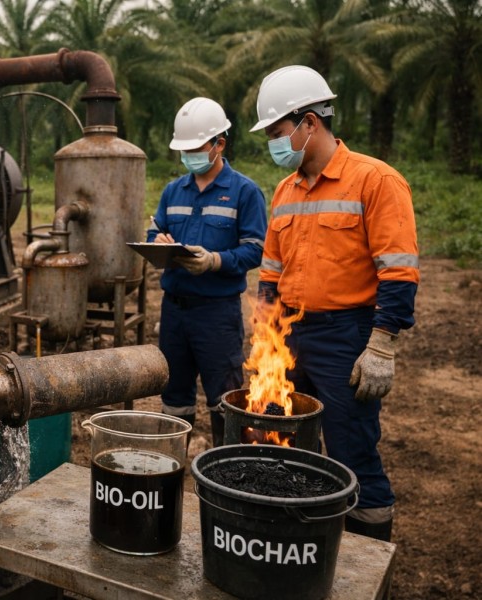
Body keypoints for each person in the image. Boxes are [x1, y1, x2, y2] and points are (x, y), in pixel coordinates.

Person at [249, 65, 419, 542]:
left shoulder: (376, 181)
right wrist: (265, 340)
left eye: (278, 132)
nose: (274, 145)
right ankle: (302, 537)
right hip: (291, 337)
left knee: (352, 451)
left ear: (309, 123)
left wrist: (381, 345)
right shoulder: (285, 191)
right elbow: (270, 276)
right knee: (285, 442)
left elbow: (399, 271)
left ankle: (367, 559)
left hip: (346, 337)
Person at [147, 97, 267, 447]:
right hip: (175, 312)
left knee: (225, 399)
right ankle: (173, 461)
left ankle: (226, 469)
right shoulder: (173, 191)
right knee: (174, 397)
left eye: (196, 148)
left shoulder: (244, 192)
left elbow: (256, 249)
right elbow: (155, 232)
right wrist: (159, 241)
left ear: (219, 144)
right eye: (183, 150)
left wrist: (215, 261)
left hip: (217, 315)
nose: (189, 156)